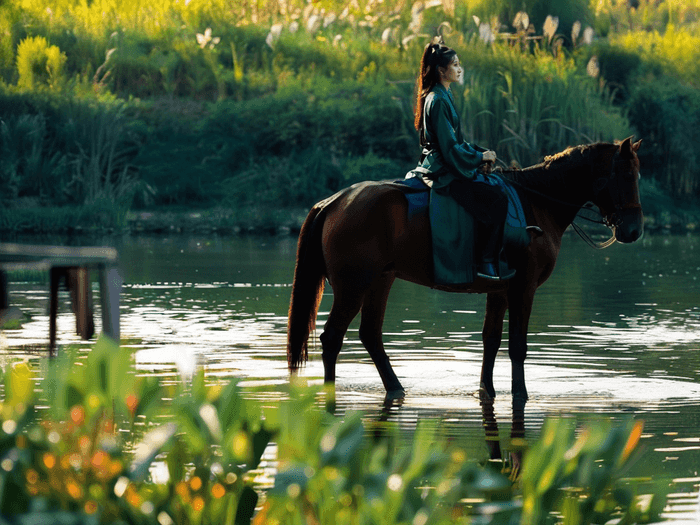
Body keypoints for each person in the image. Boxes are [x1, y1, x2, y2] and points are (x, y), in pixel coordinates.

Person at [412, 40, 513, 280]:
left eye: (459, 65)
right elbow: (449, 149)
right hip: (442, 169)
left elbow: (456, 142)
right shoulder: (437, 100)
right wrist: (479, 157)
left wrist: (480, 152)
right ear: (441, 71)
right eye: (455, 65)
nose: (459, 69)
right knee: (497, 199)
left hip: (445, 161)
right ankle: (485, 261)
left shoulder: (443, 95)